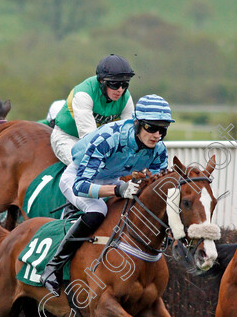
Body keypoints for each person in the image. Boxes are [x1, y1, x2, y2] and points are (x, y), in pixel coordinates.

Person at [42, 94, 173, 296]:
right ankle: (53, 267)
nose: (156, 135)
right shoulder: (108, 138)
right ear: (137, 123)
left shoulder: (159, 151)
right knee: (98, 209)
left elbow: (158, 190)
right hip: (77, 178)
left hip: (111, 179)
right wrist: (118, 190)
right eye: (151, 128)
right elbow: (81, 185)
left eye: (162, 130)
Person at [50, 54, 135, 165]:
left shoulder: (126, 98)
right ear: (101, 81)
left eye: (124, 84)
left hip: (101, 142)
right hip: (68, 137)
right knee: (87, 166)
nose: (120, 90)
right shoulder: (83, 94)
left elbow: (128, 136)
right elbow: (89, 139)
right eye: (114, 84)